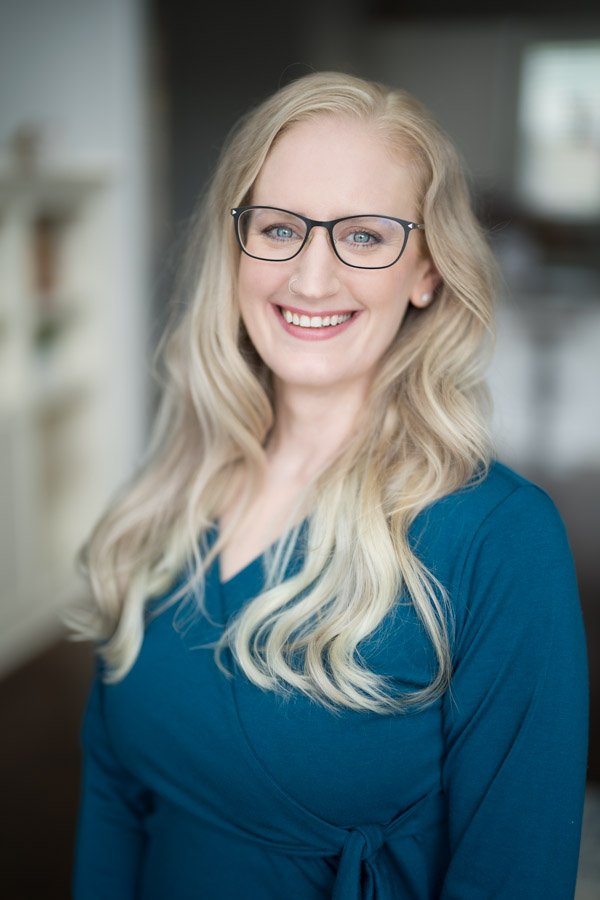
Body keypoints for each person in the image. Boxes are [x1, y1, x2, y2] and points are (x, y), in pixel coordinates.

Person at [70, 71, 588, 899]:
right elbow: (114, 803)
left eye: (366, 236)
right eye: (278, 228)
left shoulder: (498, 539)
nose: (312, 278)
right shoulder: (166, 497)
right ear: (236, 250)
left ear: (426, 270)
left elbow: (513, 874)